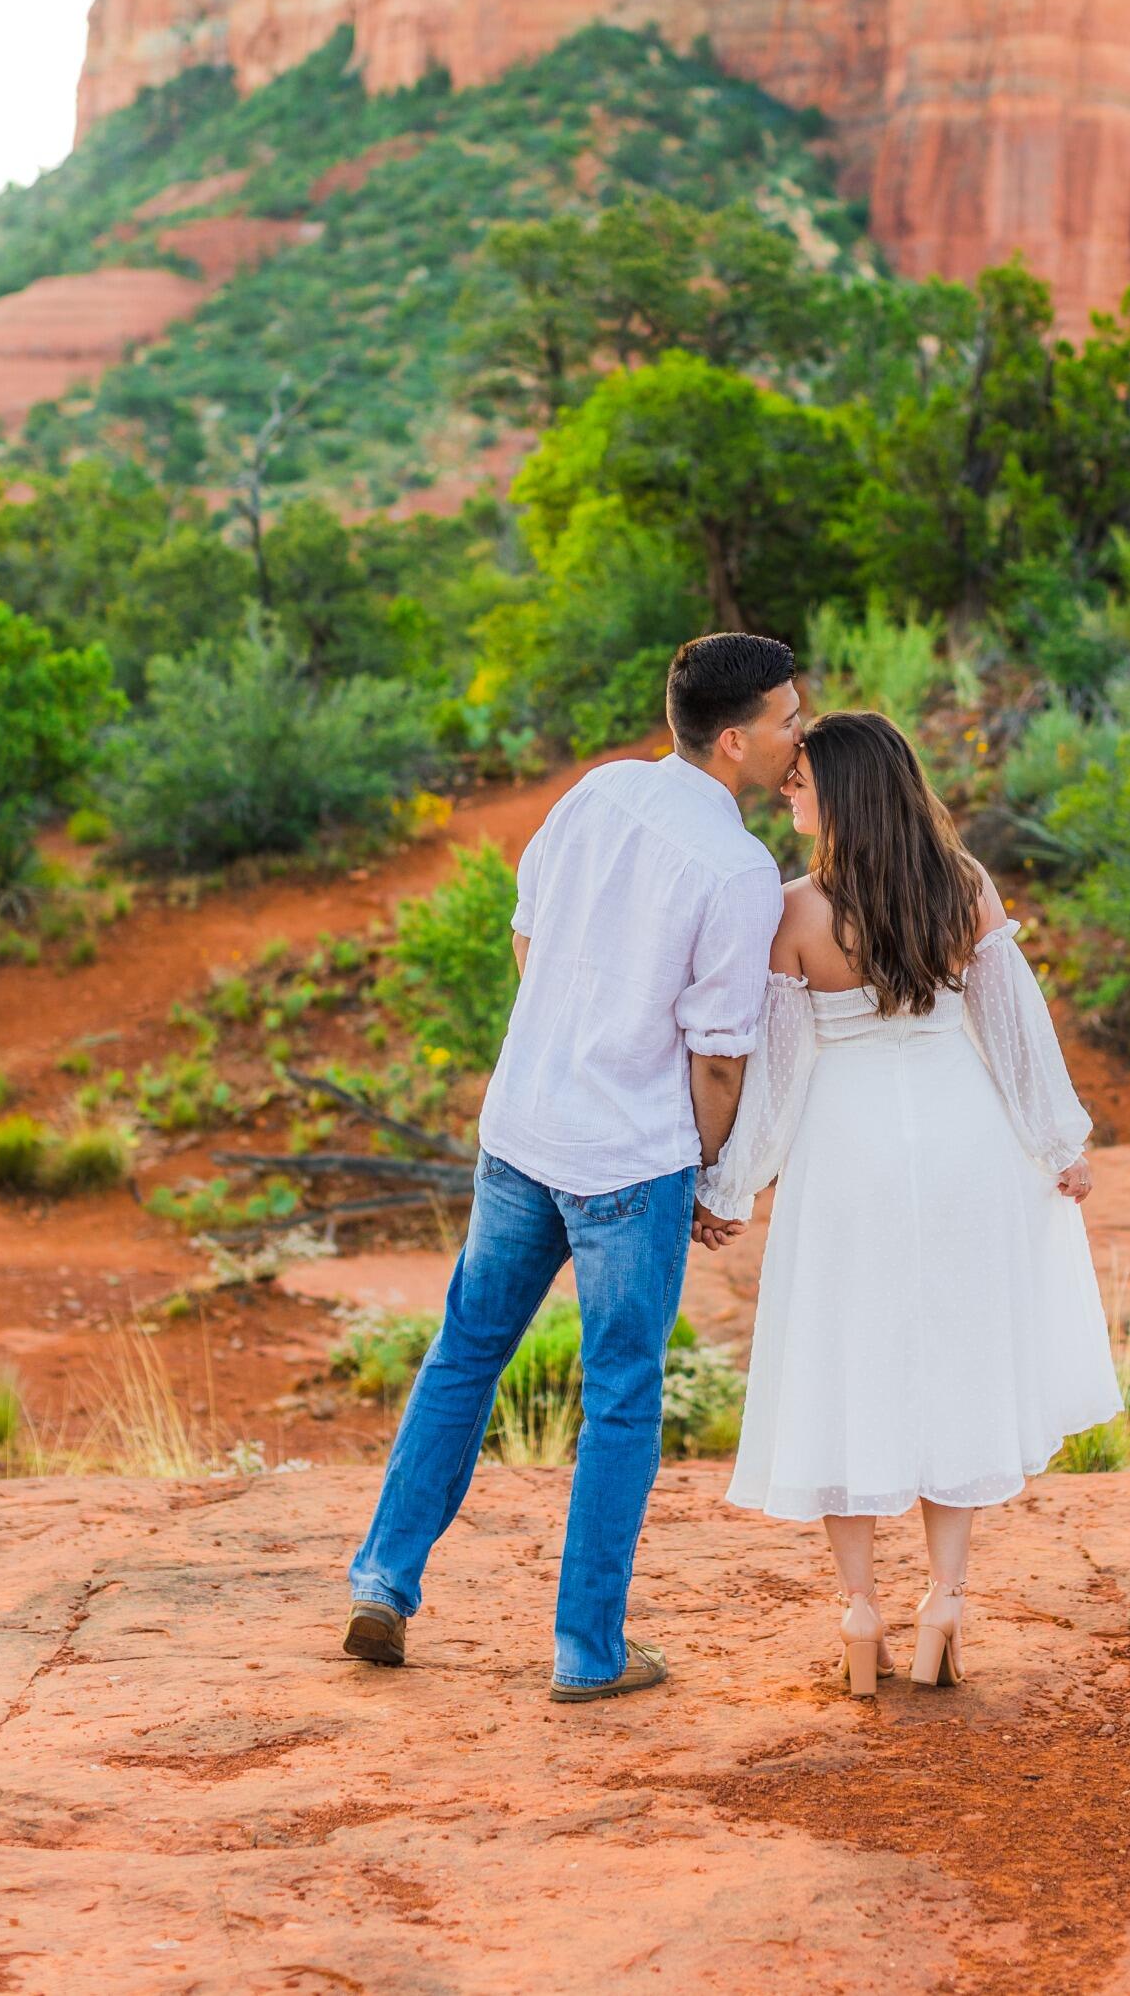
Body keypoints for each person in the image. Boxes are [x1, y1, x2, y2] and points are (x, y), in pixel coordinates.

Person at [343, 632, 801, 1700]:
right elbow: (721, 1055)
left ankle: (382, 1581)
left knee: (464, 1355)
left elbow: (525, 938)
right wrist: (706, 1172)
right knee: (622, 1400)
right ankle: (588, 1652)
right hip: (627, 1164)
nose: (799, 736)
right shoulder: (737, 870)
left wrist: (568, 1033)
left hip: (524, 1131)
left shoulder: (598, 796)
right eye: (787, 719)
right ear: (734, 741)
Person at [698, 710, 1123, 1695]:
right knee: (953, 1360)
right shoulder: (962, 886)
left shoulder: (794, 912)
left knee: (848, 1360)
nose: (787, 793)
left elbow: (780, 1074)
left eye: (799, 780)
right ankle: (947, 1598)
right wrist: (1059, 1142)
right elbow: (1017, 1027)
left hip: (847, 1158)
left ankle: (857, 1612)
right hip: (964, 1141)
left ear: (840, 791)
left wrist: (730, 1184)